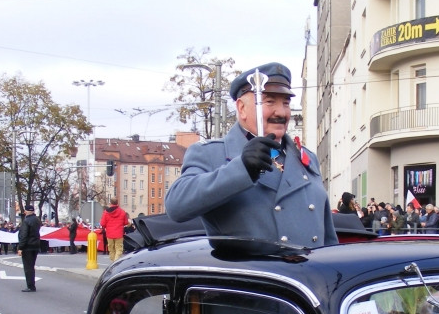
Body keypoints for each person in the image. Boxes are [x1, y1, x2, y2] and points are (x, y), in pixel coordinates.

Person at [165, 62, 337, 247]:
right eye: (269, 101)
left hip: (308, 274)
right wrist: (242, 168)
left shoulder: (306, 158)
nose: (281, 112)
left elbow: (327, 238)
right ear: (241, 108)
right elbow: (176, 206)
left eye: (286, 103)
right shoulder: (211, 153)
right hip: (254, 274)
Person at [16, 204, 41, 291]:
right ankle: (32, 284)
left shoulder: (26, 221)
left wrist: (20, 248)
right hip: (35, 246)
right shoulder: (37, 220)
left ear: (26, 211)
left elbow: (24, 235)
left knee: (28, 267)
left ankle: (30, 286)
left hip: (27, 247)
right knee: (32, 265)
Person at [100, 197, 131, 261]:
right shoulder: (122, 212)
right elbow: (125, 222)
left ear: (110, 203)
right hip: (119, 234)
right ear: (117, 203)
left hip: (109, 234)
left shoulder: (106, 212)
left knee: (111, 250)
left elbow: (102, 223)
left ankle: (113, 263)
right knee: (119, 249)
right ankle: (115, 262)